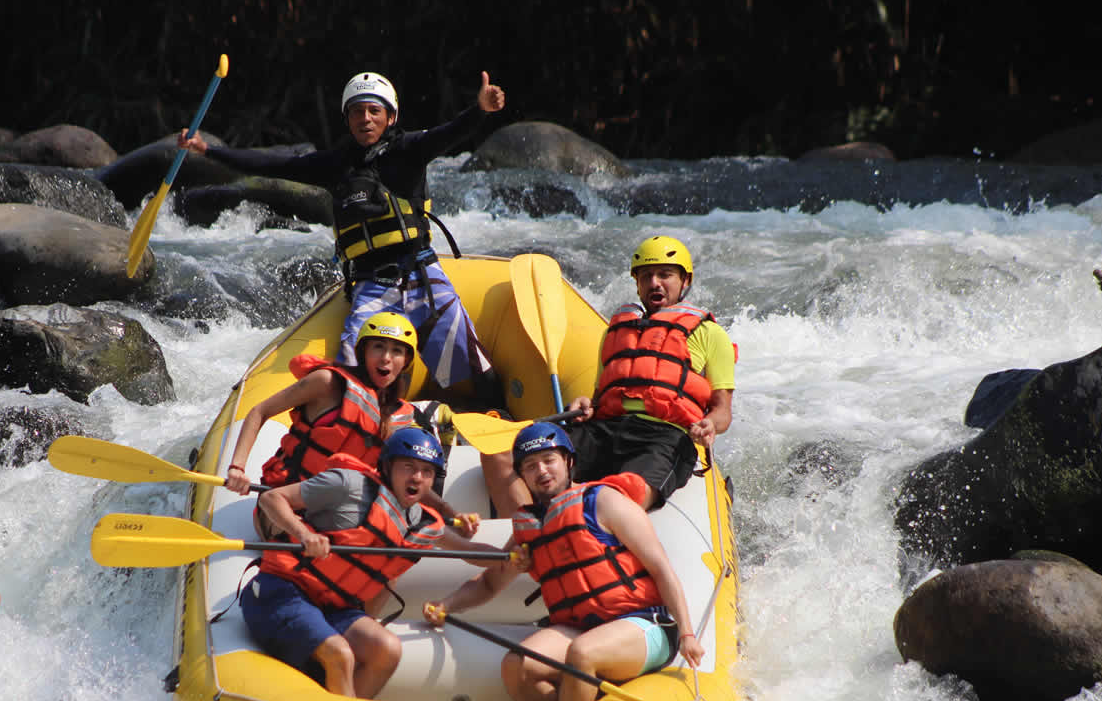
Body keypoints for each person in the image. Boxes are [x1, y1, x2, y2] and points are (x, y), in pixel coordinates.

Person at [178, 70, 506, 396]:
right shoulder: (335, 163)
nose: (365, 118)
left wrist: (480, 110)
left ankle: (497, 412)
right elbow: (271, 165)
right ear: (347, 119)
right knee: (353, 374)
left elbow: (450, 133)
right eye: (357, 111)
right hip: (371, 284)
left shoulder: (411, 149)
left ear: (390, 117)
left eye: (374, 110)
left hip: (421, 272)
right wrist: (209, 151)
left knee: (469, 358)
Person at [423, 422, 705, 701]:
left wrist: (687, 633)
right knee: (517, 666)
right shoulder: (530, 526)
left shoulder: (604, 501)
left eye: (549, 460)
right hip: (579, 628)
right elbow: (488, 583)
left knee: (583, 654)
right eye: (531, 466)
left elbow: (661, 568)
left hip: (644, 624)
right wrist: (447, 605)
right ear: (522, 476)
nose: (542, 471)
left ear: (568, 462)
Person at [482, 235, 736, 515]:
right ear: (637, 284)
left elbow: (723, 411)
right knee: (502, 453)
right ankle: (531, 535)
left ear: (685, 281)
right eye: (646, 276)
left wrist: (710, 424)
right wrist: (585, 404)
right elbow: (599, 398)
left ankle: (581, 517)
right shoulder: (616, 331)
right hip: (603, 432)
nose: (655, 283)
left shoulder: (710, 334)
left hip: (664, 438)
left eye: (665, 275)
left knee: (618, 499)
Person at [241, 427, 491, 698]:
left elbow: (470, 551)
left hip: (335, 609)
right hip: (282, 591)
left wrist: (517, 557)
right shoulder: (348, 484)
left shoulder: (424, 523)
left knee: (388, 649)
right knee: (341, 654)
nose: (417, 477)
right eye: (408, 466)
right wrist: (305, 534)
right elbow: (271, 498)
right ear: (388, 466)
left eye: (427, 472)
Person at [223, 310, 420, 495]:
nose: (386, 358)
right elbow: (260, 411)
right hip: (284, 495)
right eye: (378, 347)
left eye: (396, 351)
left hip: (338, 508)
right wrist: (237, 468)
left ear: (405, 361)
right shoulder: (327, 382)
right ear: (364, 351)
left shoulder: (401, 416)